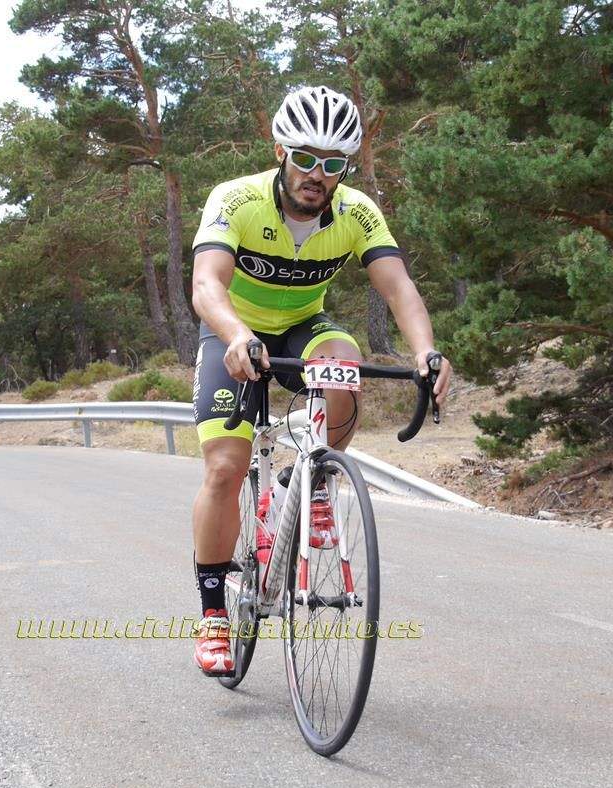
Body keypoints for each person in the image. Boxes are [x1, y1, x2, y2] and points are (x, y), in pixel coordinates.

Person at [188, 86, 453, 676]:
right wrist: (234, 334)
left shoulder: (356, 211)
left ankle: (306, 481)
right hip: (233, 330)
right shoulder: (236, 200)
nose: (318, 174)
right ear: (280, 150)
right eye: (306, 158)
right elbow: (207, 283)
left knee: (343, 362)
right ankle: (212, 614)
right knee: (226, 468)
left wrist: (427, 352)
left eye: (334, 164)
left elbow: (399, 287)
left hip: (303, 326)